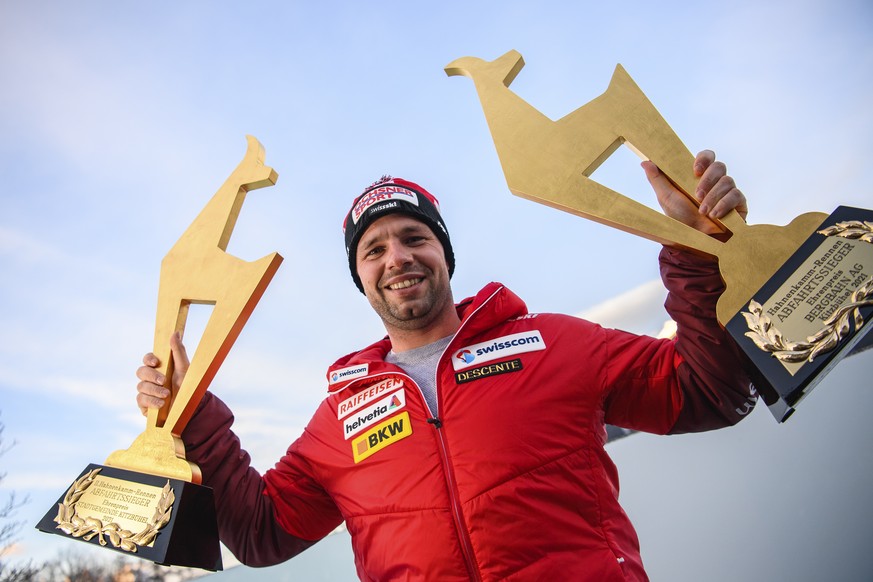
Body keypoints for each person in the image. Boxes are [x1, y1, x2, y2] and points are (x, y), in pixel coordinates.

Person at [136, 151, 755, 581]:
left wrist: (697, 252)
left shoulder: (556, 345)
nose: (397, 257)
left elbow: (707, 392)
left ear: (444, 253)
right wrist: (191, 415)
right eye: (374, 250)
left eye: (414, 237)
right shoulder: (339, 418)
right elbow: (261, 533)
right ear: (361, 278)